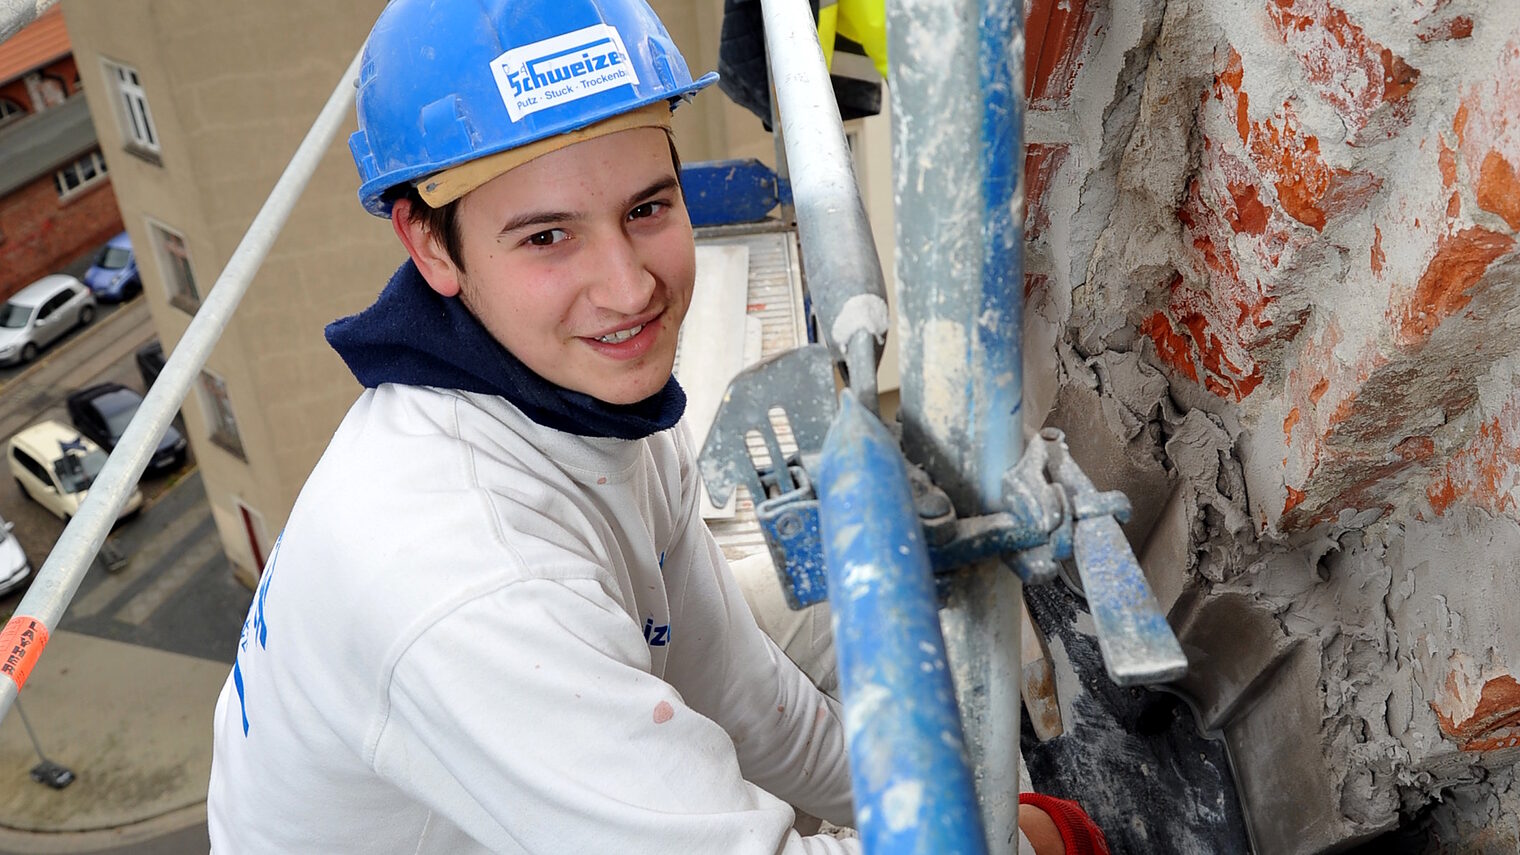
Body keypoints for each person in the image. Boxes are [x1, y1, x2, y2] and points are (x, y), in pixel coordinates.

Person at [207, 0, 1101, 851]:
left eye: (646, 209)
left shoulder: (580, 395)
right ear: (431, 245)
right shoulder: (468, 578)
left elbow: (744, 695)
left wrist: (984, 818)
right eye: (547, 237)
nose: (631, 289)